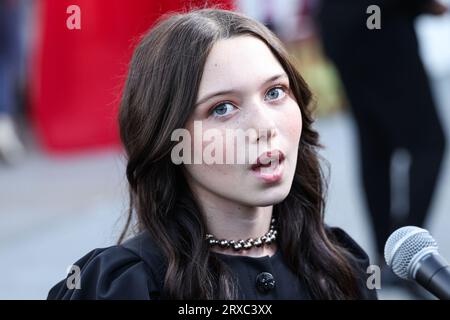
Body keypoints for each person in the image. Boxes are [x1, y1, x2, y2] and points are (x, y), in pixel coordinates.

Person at [47, 8, 377, 300]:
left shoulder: (340, 266)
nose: (264, 126)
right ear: (168, 138)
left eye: (275, 92)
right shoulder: (126, 286)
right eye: (222, 109)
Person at [316, 0, 447, 269]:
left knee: (375, 145)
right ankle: (404, 248)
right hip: (380, 29)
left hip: (343, 29)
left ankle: (385, 254)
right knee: (428, 144)